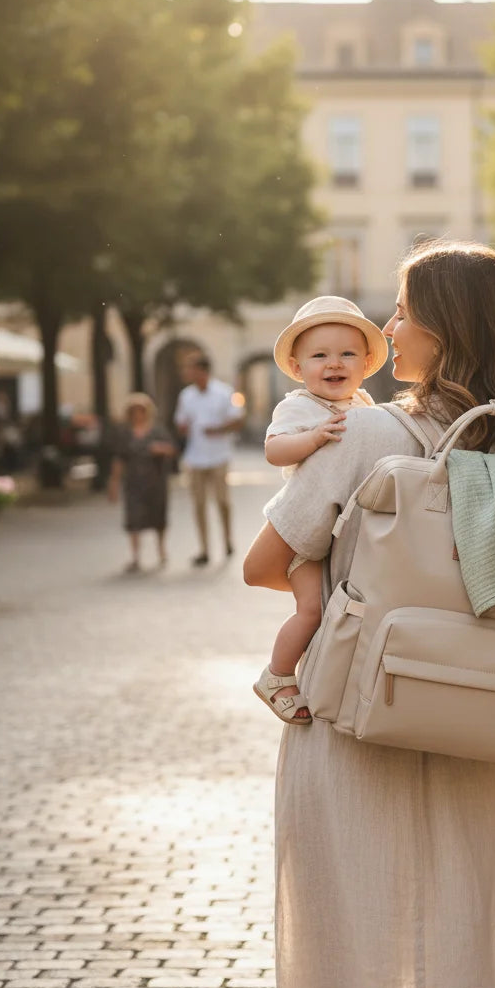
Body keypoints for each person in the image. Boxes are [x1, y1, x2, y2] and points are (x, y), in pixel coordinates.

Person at [243, 240, 495, 988]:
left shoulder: (363, 434)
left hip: (357, 713)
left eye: (403, 312)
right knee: (468, 927)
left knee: (352, 934)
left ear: (446, 326)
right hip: (478, 715)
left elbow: (264, 564)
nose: (388, 329)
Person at [254, 296, 388, 724]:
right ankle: (277, 675)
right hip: (304, 535)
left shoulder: (364, 406)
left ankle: (329, 676)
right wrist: (312, 438)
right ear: (297, 368)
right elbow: (274, 450)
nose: (334, 363)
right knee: (311, 609)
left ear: (367, 363)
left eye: (347, 354)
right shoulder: (298, 406)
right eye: (319, 356)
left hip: (343, 532)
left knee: (339, 611)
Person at [173, 354, 245, 566]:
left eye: (192, 369)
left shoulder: (223, 392)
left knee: (222, 502)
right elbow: (180, 422)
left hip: (219, 456)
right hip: (195, 457)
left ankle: (227, 540)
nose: (189, 373)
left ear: (203, 371)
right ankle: (204, 549)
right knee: (198, 504)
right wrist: (183, 428)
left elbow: (238, 419)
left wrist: (218, 429)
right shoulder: (186, 395)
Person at [108, 393, 176, 572]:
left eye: (141, 411)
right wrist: (114, 482)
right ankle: (135, 556)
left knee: (158, 516)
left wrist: (160, 449)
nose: (138, 415)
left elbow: (171, 449)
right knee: (134, 518)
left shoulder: (158, 431)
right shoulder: (125, 433)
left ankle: (161, 550)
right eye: (134, 411)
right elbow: (119, 459)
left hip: (155, 481)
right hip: (133, 482)